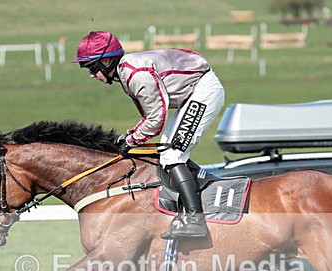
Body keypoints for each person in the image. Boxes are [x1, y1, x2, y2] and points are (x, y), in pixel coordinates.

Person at [73, 31, 226, 239]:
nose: (91, 74)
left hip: (203, 91)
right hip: (194, 91)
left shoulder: (135, 75)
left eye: (92, 68)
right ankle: (202, 187)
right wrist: (130, 137)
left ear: (107, 61)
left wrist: (131, 139)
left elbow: (155, 120)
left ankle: (195, 220)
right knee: (169, 149)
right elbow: (151, 117)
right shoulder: (127, 71)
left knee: (172, 154)